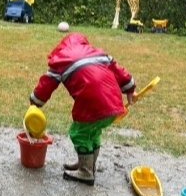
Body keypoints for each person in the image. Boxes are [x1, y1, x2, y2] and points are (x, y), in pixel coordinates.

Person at [30, 32, 136, 186]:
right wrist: (130, 88)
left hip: (92, 105)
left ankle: (86, 171)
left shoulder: (61, 60)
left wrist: (35, 102)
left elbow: (46, 85)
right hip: (114, 104)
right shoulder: (99, 54)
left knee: (79, 133)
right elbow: (120, 71)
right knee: (93, 133)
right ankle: (88, 164)